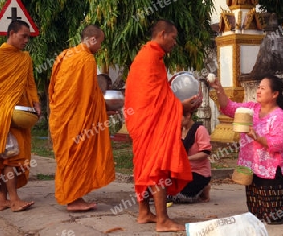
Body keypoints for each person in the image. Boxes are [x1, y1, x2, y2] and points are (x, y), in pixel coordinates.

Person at [124, 19, 201, 232]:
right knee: (156, 169)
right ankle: (162, 220)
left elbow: (157, 95)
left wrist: (179, 105)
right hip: (149, 123)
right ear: (163, 34)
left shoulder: (147, 56)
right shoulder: (150, 59)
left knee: (144, 166)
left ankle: (143, 212)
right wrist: (181, 106)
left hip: (142, 122)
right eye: (174, 38)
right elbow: (154, 100)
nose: (175, 43)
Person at [209, 75, 283, 223]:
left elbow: (277, 144)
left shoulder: (279, 117)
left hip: (272, 170)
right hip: (252, 167)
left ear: (275, 94)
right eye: (258, 87)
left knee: (273, 218)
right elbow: (229, 108)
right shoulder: (251, 108)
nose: (258, 91)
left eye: (263, 88)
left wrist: (256, 137)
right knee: (257, 215)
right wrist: (219, 90)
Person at [48, 24, 115, 211]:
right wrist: (101, 110)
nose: (100, 47)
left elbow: (53, 88)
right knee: (77, 155)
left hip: (61, 116)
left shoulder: (64, 55)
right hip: (77, 119)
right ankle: (73, 200)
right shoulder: (86, 60)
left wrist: (101, 111)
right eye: (100, 42)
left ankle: (74, 196)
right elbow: (88, 97)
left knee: (68, 157)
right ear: (93, 39)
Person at [0, 20, 41, 212]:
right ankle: (14, 200)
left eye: (28, 37)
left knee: (5, 156)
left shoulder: (26, 58)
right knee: (10, 157)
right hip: (4, 113)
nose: (26, 40)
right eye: (23, 36)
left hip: (21, 113)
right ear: (11, 33)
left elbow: (30, 84)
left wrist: (36, 102)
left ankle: (2, 199)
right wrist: (9, 107)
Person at [169, 112, 212, 203]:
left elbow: (205, 153)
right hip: (181, 171)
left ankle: (204, 187)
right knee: (159, 192)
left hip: (198, 172)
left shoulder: (200, 130)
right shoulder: (178, 130)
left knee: (180, 198)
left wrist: (186, 159)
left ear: (188, 115)